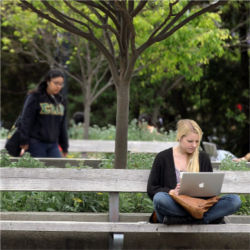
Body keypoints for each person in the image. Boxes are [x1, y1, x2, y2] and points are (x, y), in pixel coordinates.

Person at [147, 119, 241, 224]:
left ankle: (181, 220)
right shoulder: (163, 157)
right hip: (174, 205)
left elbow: (209, 192)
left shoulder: (203, 157)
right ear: (179, 137)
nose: (194, 145)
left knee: (235, 201)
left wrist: (205, 191)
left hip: (198, 206)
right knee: (159, 199)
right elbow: (152, 189)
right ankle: (204, 219)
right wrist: (171, 192)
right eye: (190, 141)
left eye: (197, 141)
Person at [19, 69, 69, 157]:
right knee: (39, 170)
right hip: (36, 143)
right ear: (48, 81)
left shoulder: (61, 101)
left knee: (58, 169)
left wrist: (64, 146)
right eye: (56, 83)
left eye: (61, 84)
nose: (58, 86)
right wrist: (24, 140)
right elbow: (26, 119)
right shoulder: (35, 97)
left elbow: (62, 125)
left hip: (53, 144)